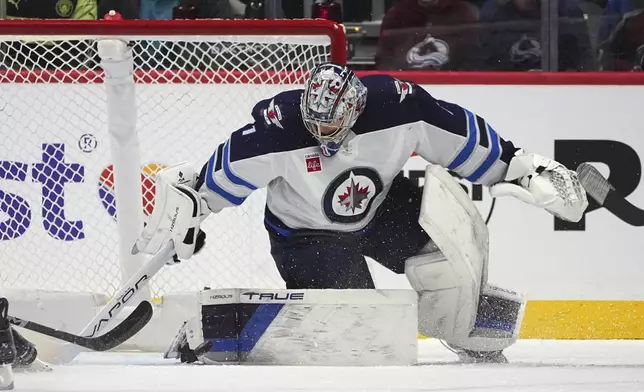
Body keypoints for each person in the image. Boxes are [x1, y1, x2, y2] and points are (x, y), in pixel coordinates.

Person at [134, 63, 588, 363]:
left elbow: (466, 142)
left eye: (331, 124)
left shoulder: (400, 106)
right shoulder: (276, 130)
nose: (322, 133)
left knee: (446, 260)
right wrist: (187, 218)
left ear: (356, 109)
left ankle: (464, 329)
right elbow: (213, 183)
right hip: (306, 235)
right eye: (315, 123)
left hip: (383, 207)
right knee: (360, 332)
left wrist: (529, 171)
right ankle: (198, 338)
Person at [375, 0, 479, 70]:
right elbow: (384, 60)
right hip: (406, 87)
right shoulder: (398, 14)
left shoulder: (462, 13)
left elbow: (472, 58)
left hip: (451, 86)